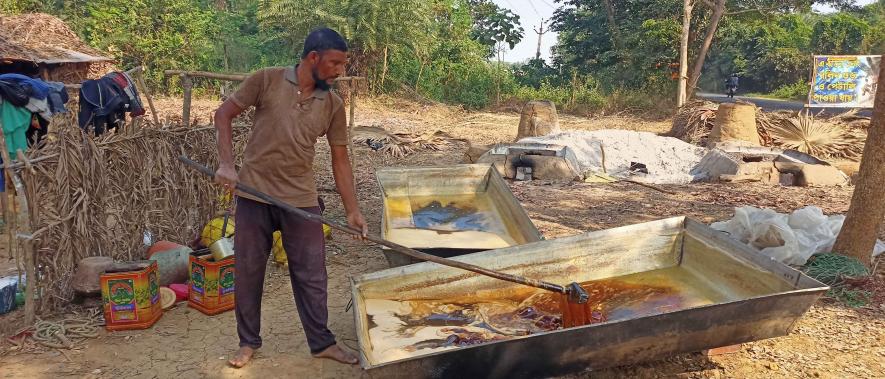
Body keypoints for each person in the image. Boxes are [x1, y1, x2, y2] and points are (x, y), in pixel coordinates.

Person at [213, 27, 369, 368]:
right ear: (312, 58)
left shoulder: (332, 104)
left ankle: (321, 343)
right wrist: (226, 165)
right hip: (255, 196)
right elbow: (223, 114)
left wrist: (353, 210)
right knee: (249, 272)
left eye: (342, 64)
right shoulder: (266, 80)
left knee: (312, 275)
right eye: (334, 63)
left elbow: (340, 159)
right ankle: (248, 342)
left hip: (301, 199)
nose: (339, 71)